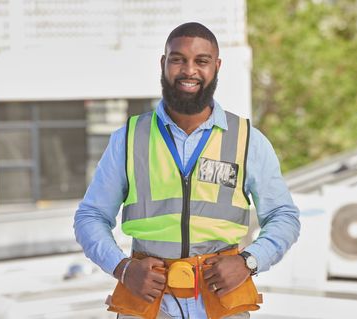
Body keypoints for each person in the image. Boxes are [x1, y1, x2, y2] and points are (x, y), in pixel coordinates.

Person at [74, 22, 300, 319]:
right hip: (148, 300)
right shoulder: (129, 138)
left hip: (222, 300)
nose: (189, 70)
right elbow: (89, 216)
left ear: (216, 66)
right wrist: (123, 268)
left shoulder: (246, 139)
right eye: (178, 59)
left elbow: (284, 216)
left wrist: (248, 262)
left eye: (201, 61)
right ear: (163, 63)